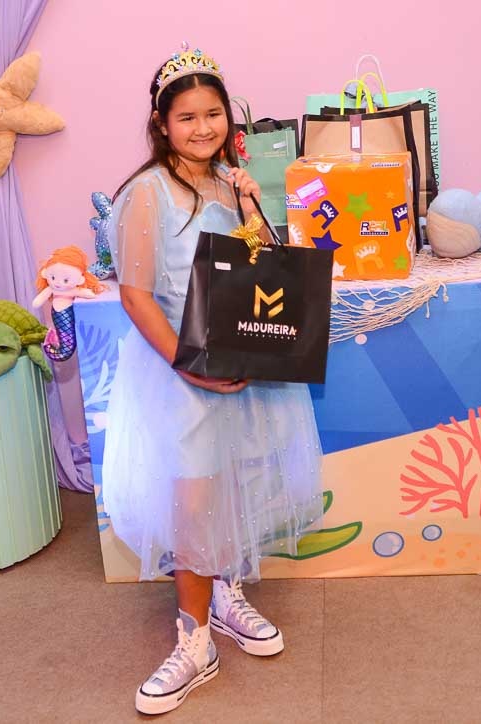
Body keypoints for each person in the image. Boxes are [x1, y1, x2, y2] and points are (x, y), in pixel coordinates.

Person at [101, 43, 323, 715]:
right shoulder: (147, 193)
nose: (203, 128)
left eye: (213, 114)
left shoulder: (229, 182)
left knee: (231, 484)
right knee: (193, 500)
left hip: (235, 367)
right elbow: (136, 295)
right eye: (187, 117)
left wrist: (253, 208)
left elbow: (260, 269)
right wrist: (192, 367)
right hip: (181, 371)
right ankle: (193, 641)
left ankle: (224, 595)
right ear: (162, 123)